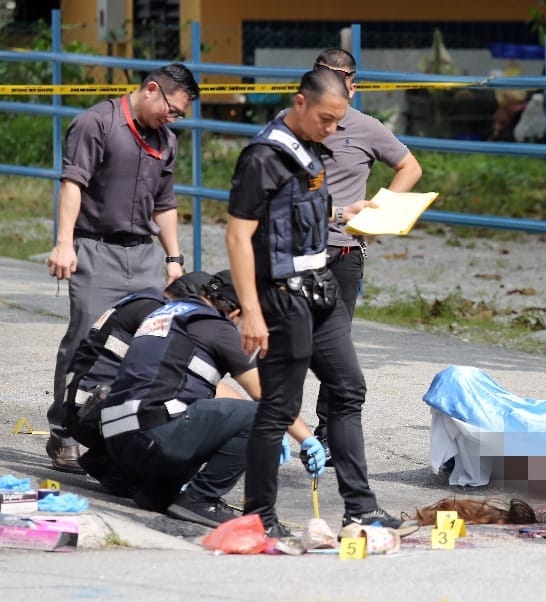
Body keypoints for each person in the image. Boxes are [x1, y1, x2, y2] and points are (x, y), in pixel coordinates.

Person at [225, 68, 416, 538]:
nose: (332, 129)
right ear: (300, 103)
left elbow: (297, 207)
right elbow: (239, 234)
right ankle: (260, 518)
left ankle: (361, 508)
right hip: (281, 294)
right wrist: (251, 309)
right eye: (326, 119)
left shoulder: (311, 148)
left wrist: (341, 213)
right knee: (278, 406)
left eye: (338, 121)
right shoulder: (263, 156)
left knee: (348, 389)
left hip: (320, 286)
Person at [44, 63, 200, 473]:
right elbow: (72, 183)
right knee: (83, 342)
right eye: (172, 109)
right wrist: (64, 244)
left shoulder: (167, 140)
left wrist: (174, 258)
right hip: (96, 249)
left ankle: (115, 434)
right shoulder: (95, 123)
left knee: (146, 345)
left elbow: (165, 202)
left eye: (180, 115)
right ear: (151, 90)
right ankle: (63, 434)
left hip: (143, 254)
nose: (173, 118)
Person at [98, 272, 326, 527]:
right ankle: (201, 498)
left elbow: (201, 389)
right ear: (238, 312)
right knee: (257, 416)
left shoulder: (169, 314)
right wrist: (306, 439)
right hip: (151, 436)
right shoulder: (218, 328)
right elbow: (267, 395)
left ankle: (157, 492)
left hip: (116, 439)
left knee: (199, 410)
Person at [310, 49, 424, 459]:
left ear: (353, 87)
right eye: (324, 78)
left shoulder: (366, 128)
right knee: (286, 342)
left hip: (342, 251)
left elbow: (410, 167)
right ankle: (274, 425)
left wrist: (379, 212)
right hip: (294, 251)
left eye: (341, 81)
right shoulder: (295, 123)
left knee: (334, 346)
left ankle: (326, 431)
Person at [60, 271, 212, 495]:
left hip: (83, 406)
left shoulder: (146, 302)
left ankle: (109, 463)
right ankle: (126, 468)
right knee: (190, 409)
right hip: (91, 409)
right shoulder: (157, 313)